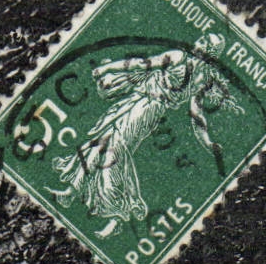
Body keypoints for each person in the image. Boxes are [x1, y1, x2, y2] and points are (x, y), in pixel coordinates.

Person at [50, 32, 243, 237]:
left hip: (146, 108)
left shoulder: (185, 63)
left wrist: (107, 68)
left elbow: (141, 65)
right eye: (202, 39)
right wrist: (208, 142)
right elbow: (194, 112)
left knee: (113, 150)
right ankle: (71, 192)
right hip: (140, 103)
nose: (199, 42)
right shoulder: (193, 69)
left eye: (206, 43)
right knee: (101, 142)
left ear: (211, 53)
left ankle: (118, 213)